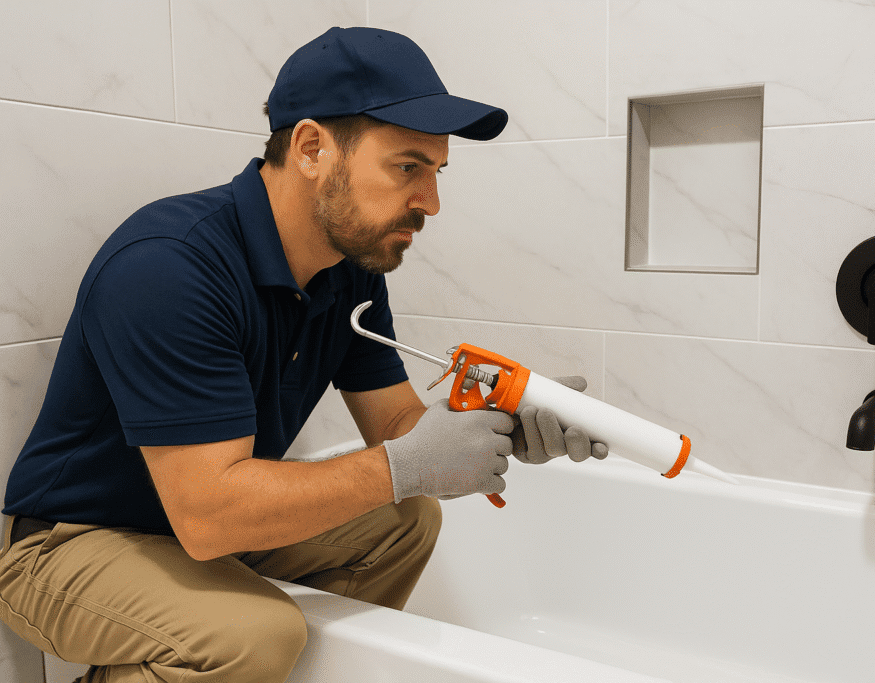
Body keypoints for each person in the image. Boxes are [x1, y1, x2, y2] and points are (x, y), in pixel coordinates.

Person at [0, 26, 607, 683]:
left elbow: (401, 429)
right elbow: (207, 516)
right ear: (313, 147)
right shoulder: (169, 267)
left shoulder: (350, 271)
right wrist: (408, 463)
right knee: (258, 634)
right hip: (69, 544)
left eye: (436, 172)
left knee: (406, 517)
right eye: (409, 167)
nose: (431, 202)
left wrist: (499, 421)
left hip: (194, 532)